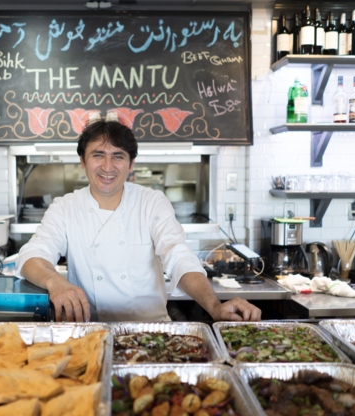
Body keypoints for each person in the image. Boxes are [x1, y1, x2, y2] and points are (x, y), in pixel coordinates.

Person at [15, 120, 261, 323]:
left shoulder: (151, 202)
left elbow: (178, 256)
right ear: (83, 161)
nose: (108, 167)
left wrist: (214, 306)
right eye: (98, 155)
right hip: (89, 332)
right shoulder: (65, 207)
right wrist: (56, 282)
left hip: (151, 332)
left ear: (131, 164)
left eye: (118, 156)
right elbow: (32, 255)